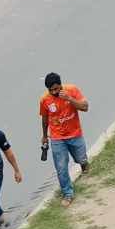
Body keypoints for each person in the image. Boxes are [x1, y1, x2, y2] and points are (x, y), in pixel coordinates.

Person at [39, 72, 89, 202]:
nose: (55, 92)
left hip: (75, 134)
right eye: (51, 90)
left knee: (81, 158)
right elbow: (44, 119)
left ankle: (84, 166)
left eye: (57, 88)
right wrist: (45, 136)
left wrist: (70, 99)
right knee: (61, 167)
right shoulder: (44, 100)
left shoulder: (72, 90)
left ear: (61, 85)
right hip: (57, 137)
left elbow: (85, 107)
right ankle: (68, 193)